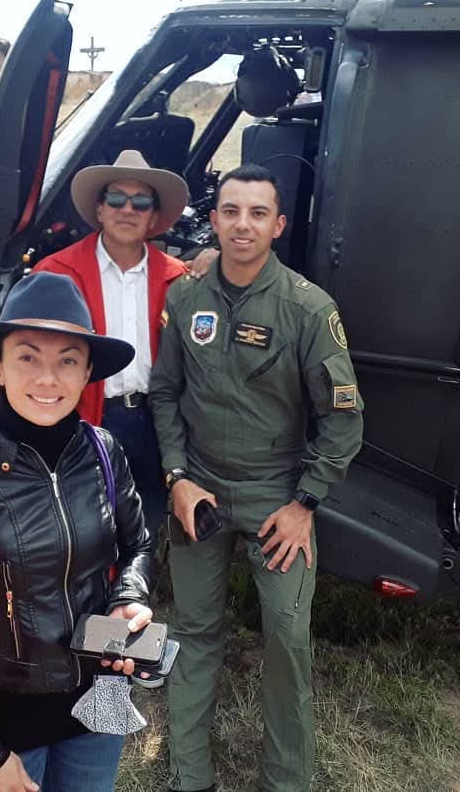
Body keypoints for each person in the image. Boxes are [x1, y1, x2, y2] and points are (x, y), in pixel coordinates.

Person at [149, 164, 365, 792]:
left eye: (257, 213)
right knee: (192, 631)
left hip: (277, 496)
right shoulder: (186, 297)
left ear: (278, 225)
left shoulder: (306, 308)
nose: (243, 224)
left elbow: (343, 419)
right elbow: (166, 394)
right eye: (231, 211)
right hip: (200, 491)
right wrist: (177, 478)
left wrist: (306, 504)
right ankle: (189, 775)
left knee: (288, 639)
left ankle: (285, 781)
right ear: (213, 221)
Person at [0, 271, 156, 792]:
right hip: (6, 718)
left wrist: (128, 598)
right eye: (28, 356)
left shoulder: (103, 452)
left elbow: (137, 545)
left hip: (101, 697)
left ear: (88, 370)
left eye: (67, 360)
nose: (49, 378)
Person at [33, 149, 189, 551]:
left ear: (154, 217)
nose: (128, 209)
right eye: (117, 198)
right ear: (99, 210)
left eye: (141, 202)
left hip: (153, 422)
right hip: (86, 418)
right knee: (83, 528)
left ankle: (134, 602)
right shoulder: (55, 275)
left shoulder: (180, 281)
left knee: (146, 527)